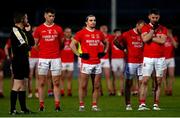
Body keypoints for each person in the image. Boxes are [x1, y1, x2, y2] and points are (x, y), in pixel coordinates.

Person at [70, 15, 109, 111]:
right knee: (83, 85)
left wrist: (104, 52)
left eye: (94, 20)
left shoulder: (99, 33)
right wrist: (79, 55)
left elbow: (106, 42)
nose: (93, 22)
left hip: (97, 63)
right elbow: (72, 45)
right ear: (86, 22)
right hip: (86, 62)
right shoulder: (81, 33)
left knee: (96, 85)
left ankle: (94, 105)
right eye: (91, 20)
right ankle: (81, 105)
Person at [33, 8, 64, 112]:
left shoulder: (59, 29)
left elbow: (62, 44)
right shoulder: (39, 29)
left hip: (56, 58)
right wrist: (43, 52)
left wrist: (55, 51)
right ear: (45, 16)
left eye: (53, 16)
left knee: (56, 82)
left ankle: (57, 105)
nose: (52, 18)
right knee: (41, 82)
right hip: (43, 58)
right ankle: (41, 105)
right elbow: (35, 44)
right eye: (50, 16)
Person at [139, 8, 167, 110]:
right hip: (148, 58)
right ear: (149, 17)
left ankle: (156, 104)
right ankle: (142, 104)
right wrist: (152, 32)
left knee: (158, 81)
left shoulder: (163, 28)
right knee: (145, 80)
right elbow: (145, 39)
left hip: (160, 58)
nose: (155, 19)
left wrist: (151, 36)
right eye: (153, 17)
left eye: (156, 17)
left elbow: (163, 41)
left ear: (159, 17)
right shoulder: (145, 27)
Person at [114, 20, 145, 110]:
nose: (142, 29)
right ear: (137, 25)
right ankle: (128, 104)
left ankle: (141, 104)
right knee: (129, 83)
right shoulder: (127, 34)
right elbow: (115, 41)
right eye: (141, 27)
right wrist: (123, 48)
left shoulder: (143, 34)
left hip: (142, 62)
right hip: (130, 62)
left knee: (141, 83)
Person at [9, 11, 35, 115]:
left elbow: (32, 43)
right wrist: (29, 48)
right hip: (18, 61)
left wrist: (29, 31)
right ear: (21, 20)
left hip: (24, 60)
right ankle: (12, 110)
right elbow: (26, 46)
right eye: (26, 18)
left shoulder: (22, 30)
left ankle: (24, 109)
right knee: (17, 84)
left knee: (23, 84)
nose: (27, 20)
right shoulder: (15, 30)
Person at [162, 28, 178, 96]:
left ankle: (170, 89)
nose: (168, 32)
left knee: (172, 75)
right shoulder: (162, 38)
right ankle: (166, 89)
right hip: (163, 59)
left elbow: (176, 46)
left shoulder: (174, 38)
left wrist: (171, 37)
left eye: (170, 31)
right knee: (164, 75)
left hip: (171, 59)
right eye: (167, 31)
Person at [99, 25, 114, 96]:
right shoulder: (97, 36)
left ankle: (110, 91)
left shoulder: (110, 37)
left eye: (105, 28)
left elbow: (112, 48)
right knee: (98, 77)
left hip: (106, 59)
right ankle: (99, 91)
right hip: (98, 59)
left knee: (108, 76)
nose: (104, 29)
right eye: (102, 28)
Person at [111, 28, 125, 96]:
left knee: (121, 76)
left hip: (121, 59)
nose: (118, 34)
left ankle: (122, 90)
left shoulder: (123, 40)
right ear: (114, 33)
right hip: (114, 59)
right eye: (117, 33)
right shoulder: (112, 40)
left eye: (119, 33)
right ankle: (115, 91)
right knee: (114, 77)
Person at [60, 27, 74, 96]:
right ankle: (62, 91)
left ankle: (69, 91)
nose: (68, 33)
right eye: (66, 32)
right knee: (62, 77)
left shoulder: (73, 40)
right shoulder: (62, 40)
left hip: (70, 61)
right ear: (64, 33)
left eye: (69, 32)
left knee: (69, 77)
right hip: (62, 61)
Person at [28, 26, 39, 98]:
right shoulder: (29, 37)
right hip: (31, 58)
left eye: (36, 30)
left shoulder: (40, 37)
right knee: (30, 76)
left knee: (38, 76)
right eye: (34, 30)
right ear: (32, 30)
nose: (35, 31)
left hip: (39, 57)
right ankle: (30, 92)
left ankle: (37, 91)